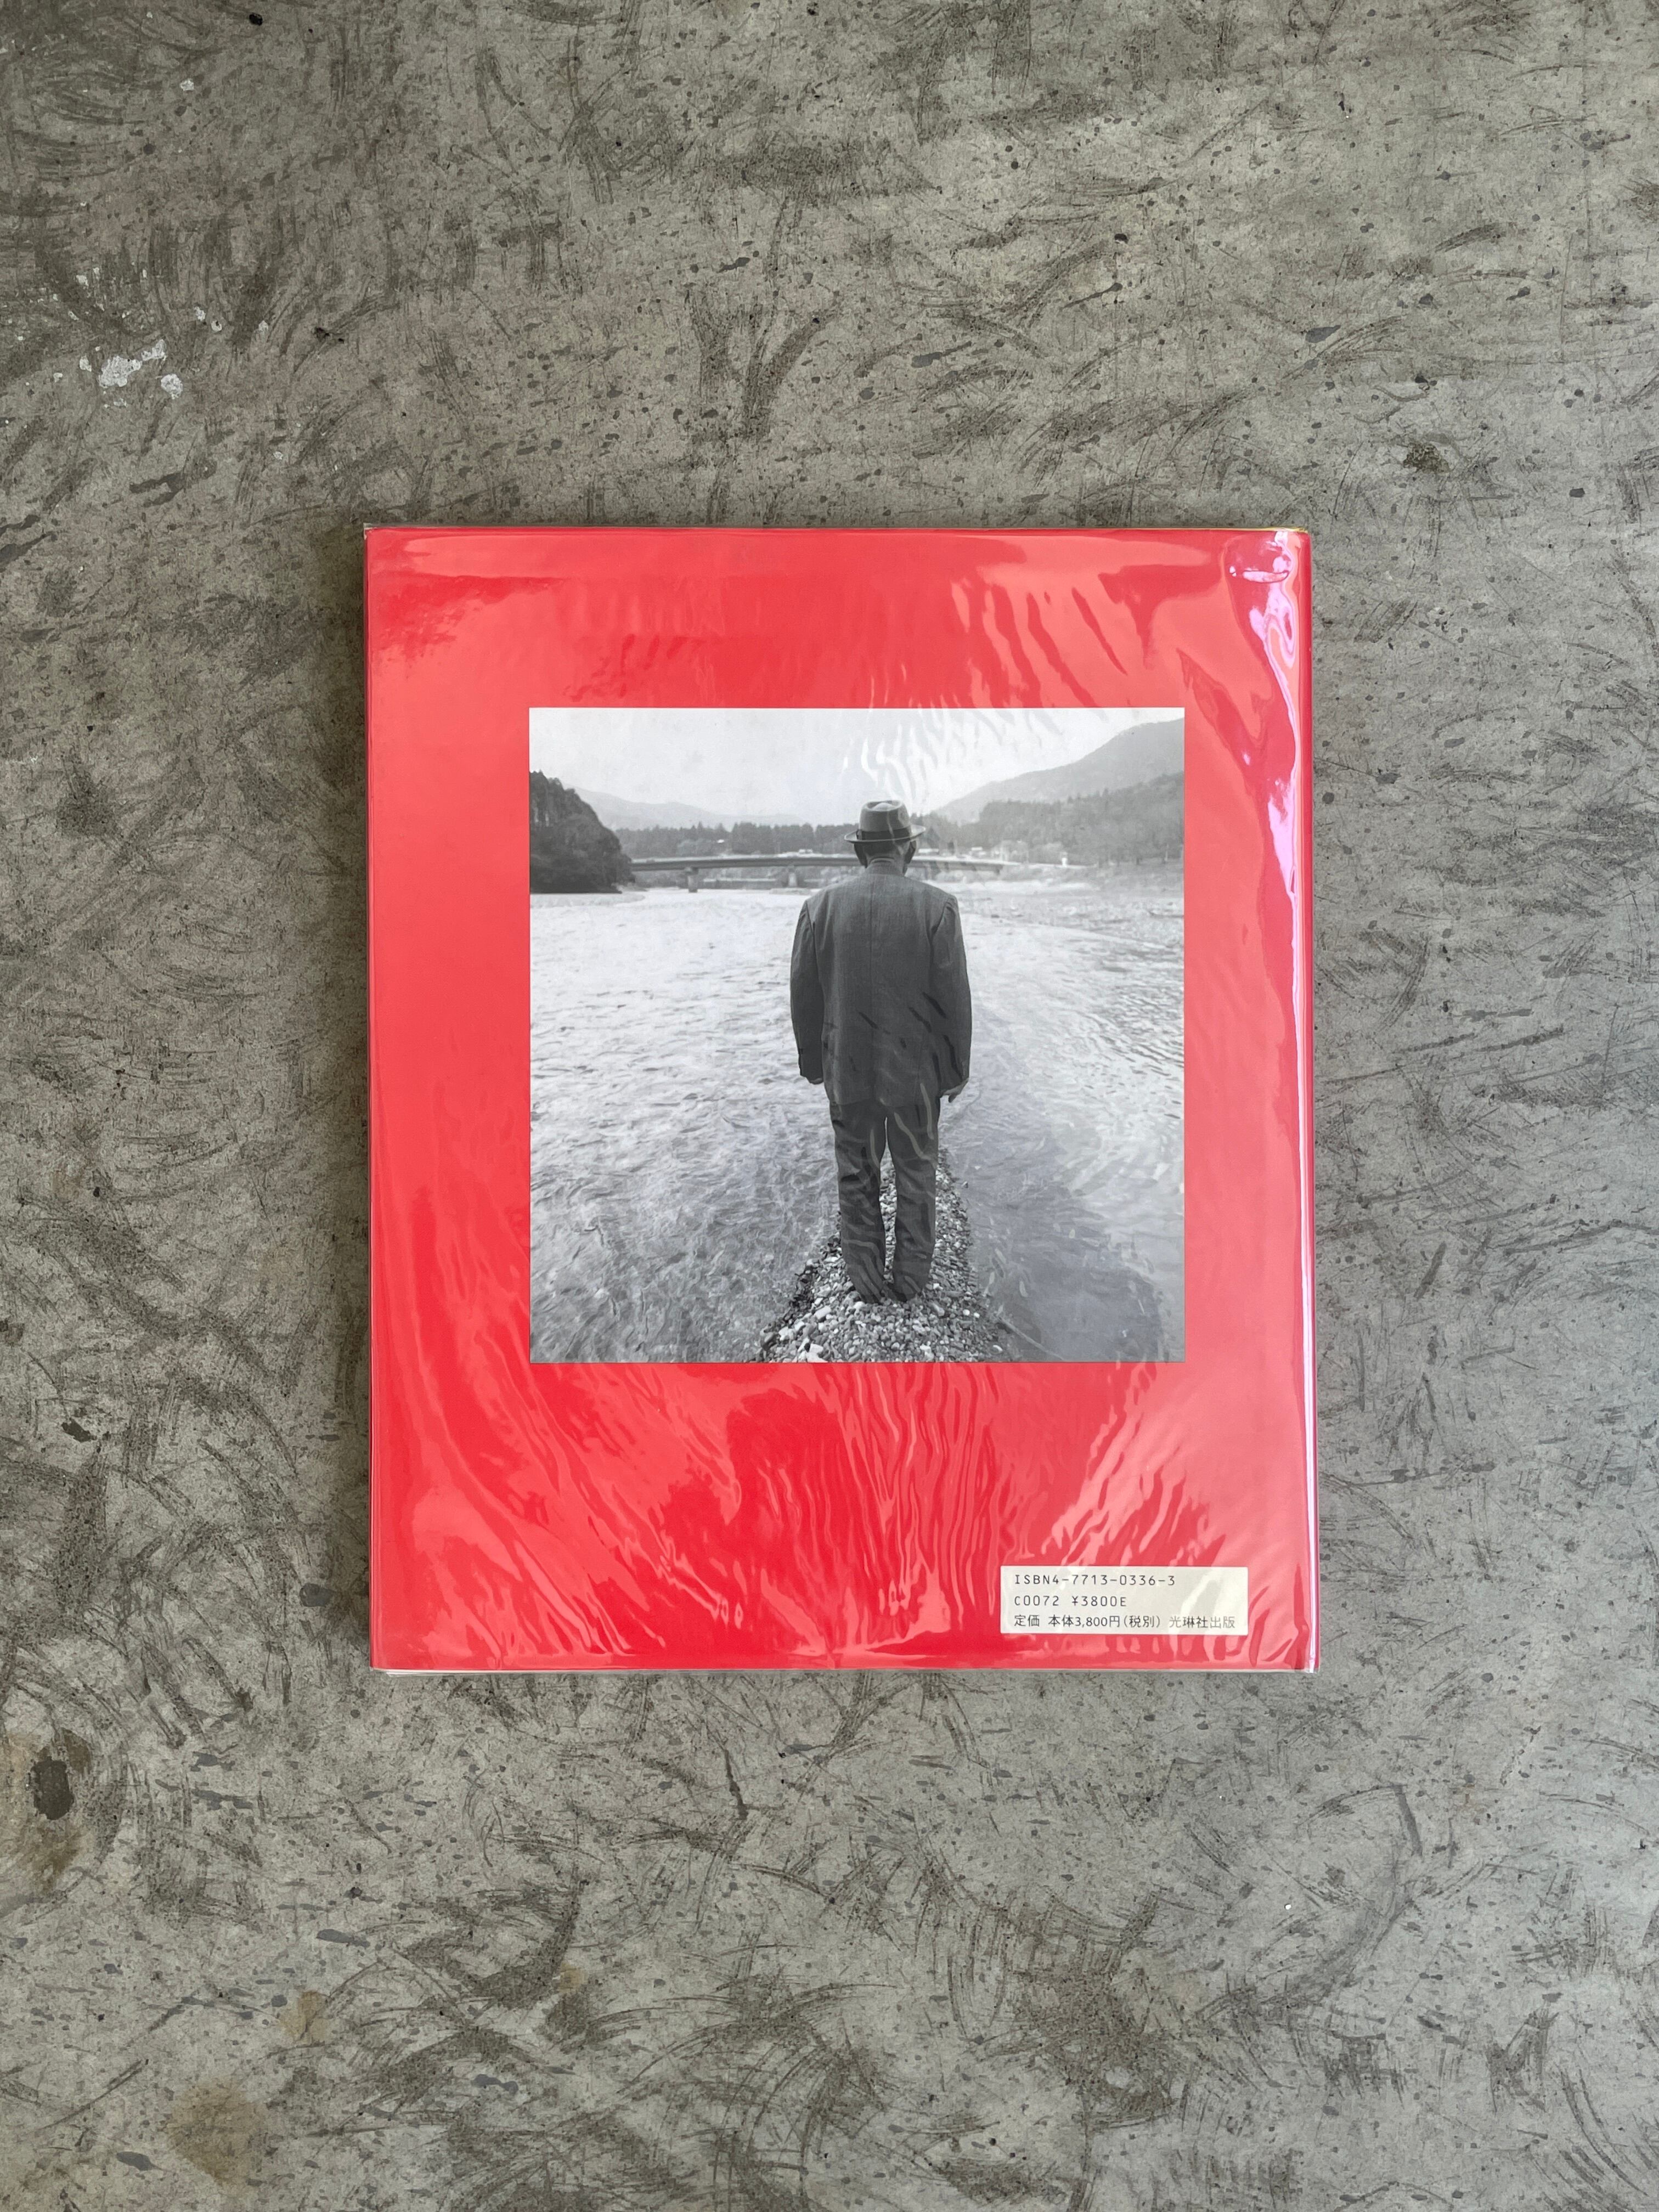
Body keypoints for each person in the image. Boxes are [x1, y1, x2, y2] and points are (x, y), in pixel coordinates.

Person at [789, 799, 973, 1302]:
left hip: (846, 1070)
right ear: (909, 850)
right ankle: (910, 1279)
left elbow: (804, 997)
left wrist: (813, 1064)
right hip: (916, 1077)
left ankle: (865, 1275)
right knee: (916, 1170)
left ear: (860, 853)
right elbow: (954, 1000)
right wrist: (955, 1070)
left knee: (856, 1170)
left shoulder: (819, 909)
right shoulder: (938, 907)